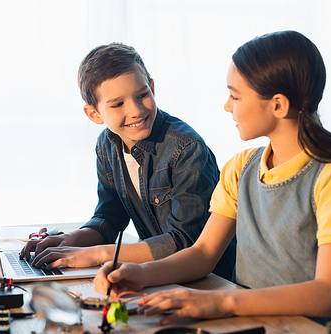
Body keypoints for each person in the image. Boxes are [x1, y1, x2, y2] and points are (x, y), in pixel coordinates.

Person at [93, 31, 331, 325]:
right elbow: (203, 253)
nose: (227, 106)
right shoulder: (240, 167)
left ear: (278, 105)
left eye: (235, 95)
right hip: (247, 322)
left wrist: (220, 300)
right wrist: (139, 273)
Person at [20, 43, 236, 280]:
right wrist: (68, 240)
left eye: (142, 95)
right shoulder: (107, 145)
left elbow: (184, 243)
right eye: (118, 104)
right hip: (155, 274)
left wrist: (97, 254)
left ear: (152, 87)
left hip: (211, 280)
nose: (136, 110)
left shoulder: (186, 148)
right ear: (94, 114)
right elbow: (110, 216)